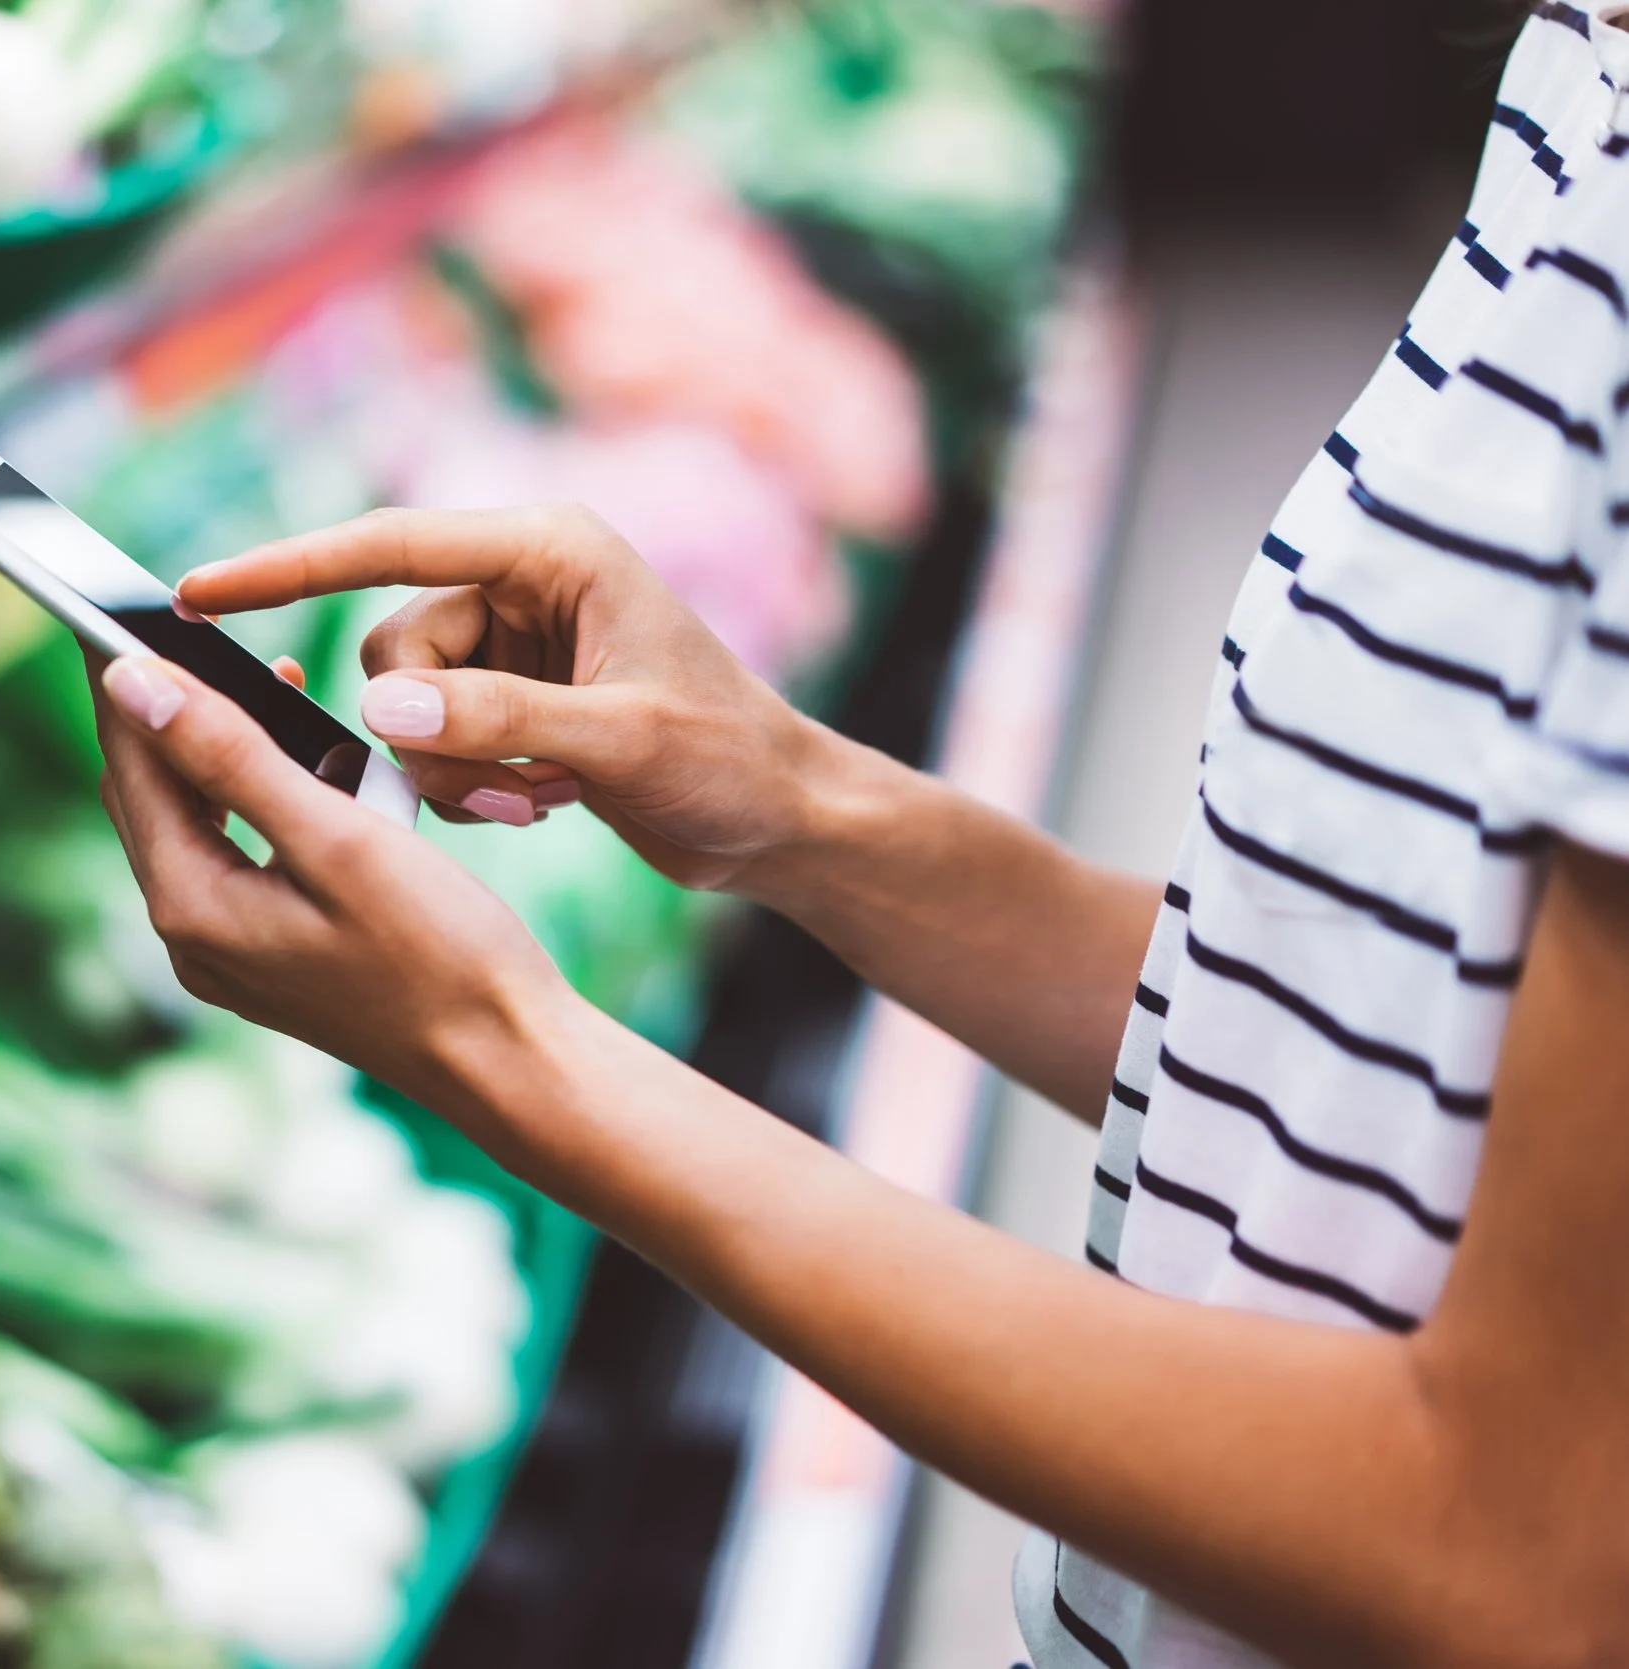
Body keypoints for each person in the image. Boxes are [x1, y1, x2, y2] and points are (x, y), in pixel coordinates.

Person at [83, 5, 1629, 1665]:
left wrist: (500, 1044)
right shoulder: (1585, 84)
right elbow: (1373, 1062)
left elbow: (1517, 1544)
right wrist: (797, 810)